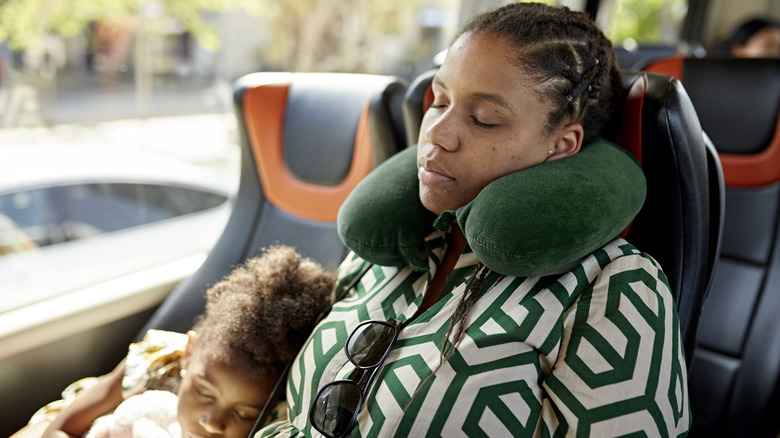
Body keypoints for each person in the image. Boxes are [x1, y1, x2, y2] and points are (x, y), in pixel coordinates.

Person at [256, 3, 690, 437]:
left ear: (560, 146)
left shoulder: (615, 284)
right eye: (440, 101)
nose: (437, 134)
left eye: (483, 120)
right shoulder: (395, 244)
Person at [12, 245, 334, 438]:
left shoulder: (274, 420)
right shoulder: (157, 361)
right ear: (188, 353)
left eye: (244, 414)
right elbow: (63, 426)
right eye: (202, 391)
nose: (212, 423)